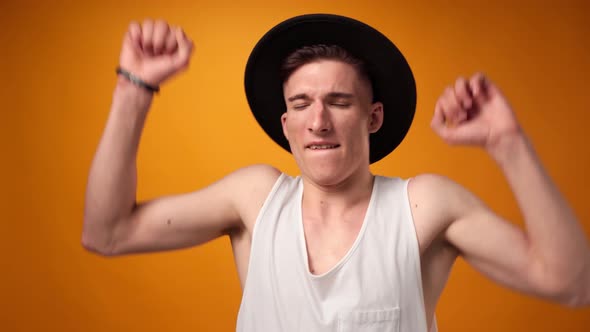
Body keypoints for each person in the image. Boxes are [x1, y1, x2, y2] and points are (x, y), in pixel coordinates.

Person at [82, 14, 590, 331]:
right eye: (301, 104)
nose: (318, 120)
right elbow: (106, 233)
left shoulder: (423, 207)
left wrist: (508, 145)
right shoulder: (253, 198)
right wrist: (133, 91)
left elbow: (572, 283)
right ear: (286, 124)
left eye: (339, 102)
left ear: (373, 118)